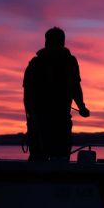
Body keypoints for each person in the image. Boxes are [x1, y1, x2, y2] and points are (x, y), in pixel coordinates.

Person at [23, 27, 90, 161]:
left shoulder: (38, 63)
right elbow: (75, 87)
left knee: (47, 154)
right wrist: (81, 107)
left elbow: (27, 94)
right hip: (46, 117)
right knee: (54, 154)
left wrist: (82, 106)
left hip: (53, 116)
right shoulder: (38, 63)